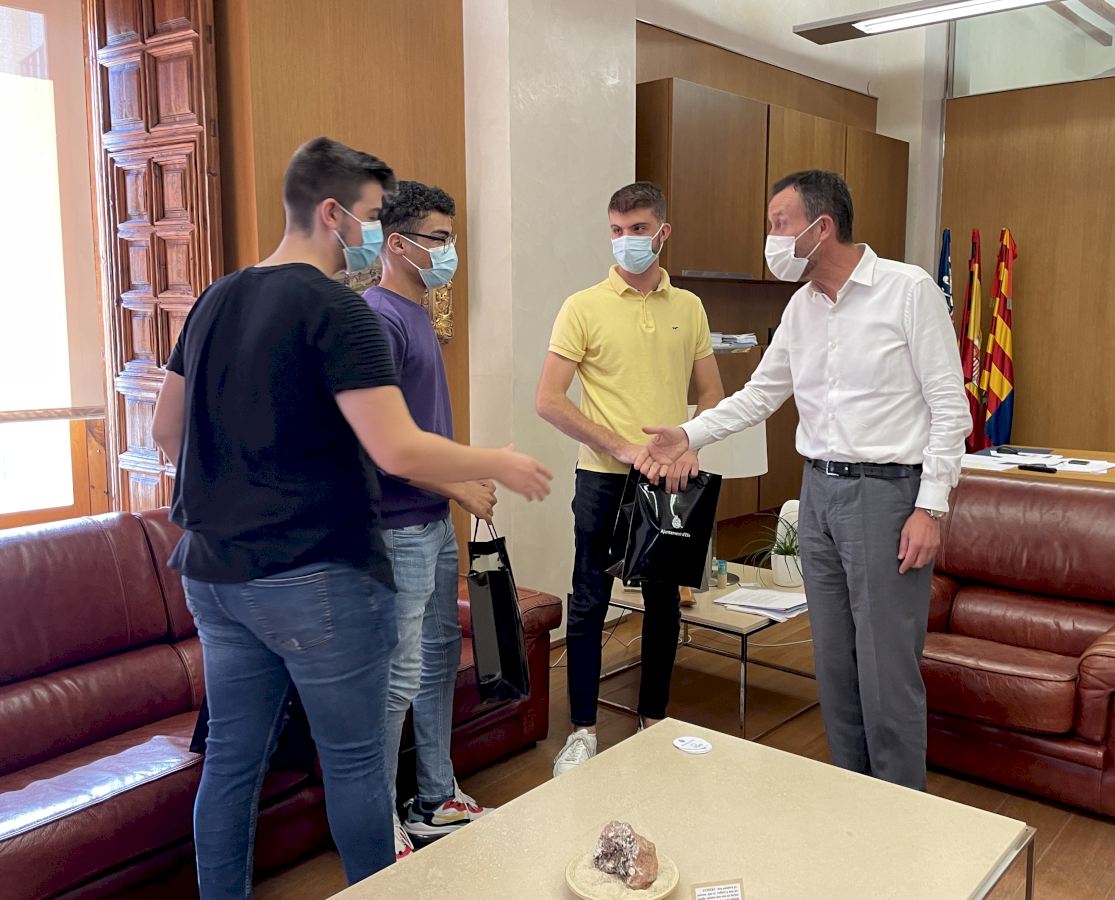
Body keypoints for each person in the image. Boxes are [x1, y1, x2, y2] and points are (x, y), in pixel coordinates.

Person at [151, 137, 550, 897]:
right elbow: (395, 448)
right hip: (316, 581)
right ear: (332, 213)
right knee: (358, 765)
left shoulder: (214, 298)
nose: (375, 231)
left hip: (214, 577)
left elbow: (167, 432)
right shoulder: (341, 310)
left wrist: (246, 484)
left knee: (232, 764)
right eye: (371, 214)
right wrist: (493, 461)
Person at [636, 170, 970, 792]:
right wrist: (689, 434)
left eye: (779, 224)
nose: (771, 238)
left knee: (886, 670)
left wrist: (931, 508)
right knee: (834, 664)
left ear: (822, 227)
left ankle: (901, 811)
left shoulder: (908, 290)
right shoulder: (801, 307)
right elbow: (760, 395)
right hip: (817, 494)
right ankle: (850, 794)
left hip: (886, 495)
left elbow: (951, 408)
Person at [535, 181, 724, 777]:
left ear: (663, 232)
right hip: (602, 477)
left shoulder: (689, 307)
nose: (626, 241)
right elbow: (548, 400)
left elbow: (712, 393)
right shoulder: (582, 306)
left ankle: (652, 721)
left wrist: (690, 442)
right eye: (617, 231)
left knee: (664, 601)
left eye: (638, 229)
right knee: (589, 600)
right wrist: (619, 446)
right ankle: (582, 731)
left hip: (665, 480)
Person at [365, 181, 495, 859]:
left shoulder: (417, 314)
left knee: (440, 658)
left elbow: (423, 428)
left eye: (451, 238)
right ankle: (377, 821)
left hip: (433, 522)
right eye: (438, 239)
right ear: (398, 244)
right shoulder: (378, 319)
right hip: (398, 527)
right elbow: (381, 448)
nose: (449, 252)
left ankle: (436, 796)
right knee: (397, 677)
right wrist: (459, 486)